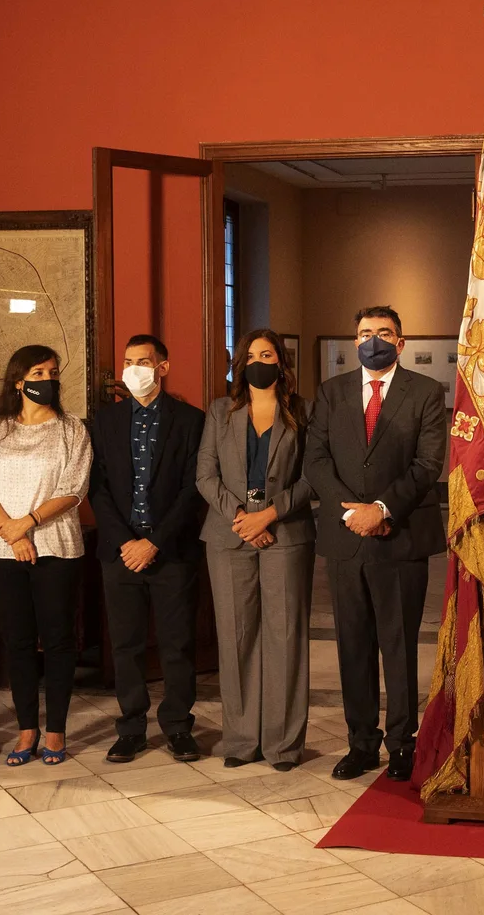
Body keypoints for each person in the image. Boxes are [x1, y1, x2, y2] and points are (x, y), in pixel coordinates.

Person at [305, 306, 448, 781]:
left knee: (400, 646)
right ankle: (361, 743)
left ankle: (401, 746)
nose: (374, 340)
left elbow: (428, 465)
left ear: (401, 342)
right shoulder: (330, 393)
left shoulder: (426, 392)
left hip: (401, 538)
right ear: (354, 341)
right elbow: (317, 461)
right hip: (347, 538)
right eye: (365, 333)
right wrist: (353, 513)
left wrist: (382, 510)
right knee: (353, 646)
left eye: (383, 333)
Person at [0, 344, 91, 766]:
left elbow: (74, 488)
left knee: (56, 640)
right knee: (17, 641)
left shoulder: (72, 428)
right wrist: (13, 531)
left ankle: (55, 731)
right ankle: (26, 731)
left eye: (53, 372)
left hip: (57, 545)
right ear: (18, 381)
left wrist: (29, 523)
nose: (47, 380)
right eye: (38, 373)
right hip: (1, 548)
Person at [198, 329, 316, 771]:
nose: (258, 361)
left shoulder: (302, 410)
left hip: (285, 535)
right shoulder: (219, 412)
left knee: (285, 637)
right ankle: (242, 741)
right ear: (239, 364)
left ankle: (283, 746)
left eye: (266, 354)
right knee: (236, 637)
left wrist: (269, 515)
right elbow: (205, 476)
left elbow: (311, 476)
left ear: (280, 362)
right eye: (251, 355)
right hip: (229, 536)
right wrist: (244, 519)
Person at [87, 334, 207, 764]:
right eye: (128, 361)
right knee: (126, 644)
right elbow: (97, 487)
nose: (134, 368)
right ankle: (132, 729)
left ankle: (177, 726)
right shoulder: (106, 421)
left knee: (176, 644)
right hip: (119, 552)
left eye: (143, 361)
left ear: (163, 367)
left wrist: (154, 542)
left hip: (171, 550)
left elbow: (193, 488)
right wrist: (126, 541)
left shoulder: (192, 421)